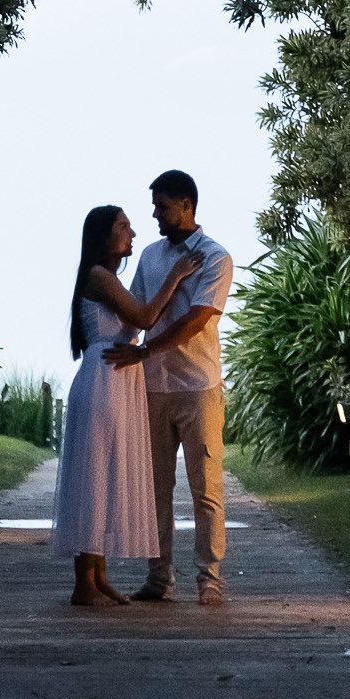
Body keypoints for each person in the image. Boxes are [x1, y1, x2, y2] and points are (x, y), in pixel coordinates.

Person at [50, 203, 200, 607]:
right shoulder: (99, 276)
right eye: (124, 226)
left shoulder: (111, 278)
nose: (133, 233)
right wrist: (178, 273)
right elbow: (146, 317)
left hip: (118, 381)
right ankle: (84, 581)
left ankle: (99, 576)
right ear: (104, 237)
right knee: (95, 474)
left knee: (108, 474)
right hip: (103, 380)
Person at [104, 168, 234, 607]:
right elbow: (139, 314)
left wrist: (143, 351)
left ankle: (210, 578)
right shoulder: (153, 257)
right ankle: (159, 578)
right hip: (153, 387)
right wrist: (113, 359)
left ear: (186, 206)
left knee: (205, 486)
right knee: (154, 487)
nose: (155, 215)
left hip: (198, 386)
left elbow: (197, 318)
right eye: (154, 206)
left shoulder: (215, 257)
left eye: (161, 206)